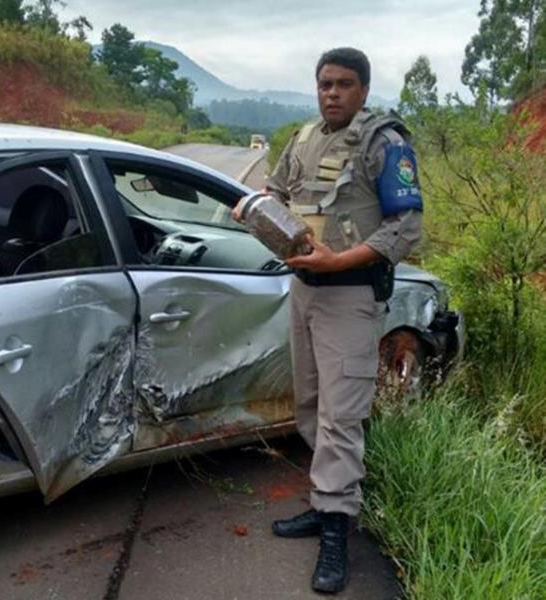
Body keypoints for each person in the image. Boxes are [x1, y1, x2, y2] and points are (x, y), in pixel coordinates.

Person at [234, 47, 422, 593]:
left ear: (363, 89)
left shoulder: (385, 144)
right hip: (305, 292)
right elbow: (278, 191)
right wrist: (259, 213)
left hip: (349, 295)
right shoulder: (304, 137)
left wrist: (339, 259)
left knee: (342, 415)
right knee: (312, 404)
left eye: (342, 84)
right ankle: (325, 504)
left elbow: (406, 229)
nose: (331, 93)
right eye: (324, 84)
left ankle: (338, 529)